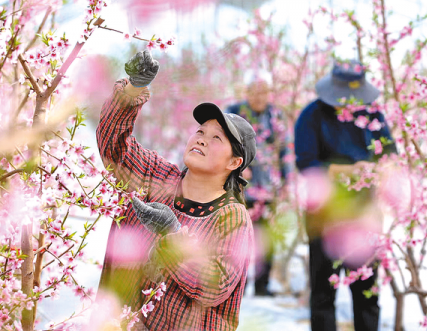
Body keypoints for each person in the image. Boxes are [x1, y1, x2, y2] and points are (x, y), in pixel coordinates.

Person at [96, 50, 256, 331]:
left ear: (234, 162)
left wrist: (172, 238)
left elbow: (214, 287)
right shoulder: (155, 177)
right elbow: (115, 148)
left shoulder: (233, 218)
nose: (202, 140)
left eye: (217, 138)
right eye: (200, 132)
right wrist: (134, 88)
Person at [294, 60, 397, 331]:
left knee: (367, 293)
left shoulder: (372, 115)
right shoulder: (312, 116)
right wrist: (348, 171)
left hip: (365, 213)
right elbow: (306, 164)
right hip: (324, 214)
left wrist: (377, 170)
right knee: (323, 292)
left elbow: (389, 154)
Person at [225, 69, 292, 297]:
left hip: (269, 187)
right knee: (236, 235)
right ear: (247, 93)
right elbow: (223, 142)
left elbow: (285, 150)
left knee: (266, 238)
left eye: (263, 92)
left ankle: (262, 285)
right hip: (239, 185)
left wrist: (286, 181)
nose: (259, 97)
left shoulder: (276, 116)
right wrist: (239, 166)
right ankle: (236, 285)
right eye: (254, 92)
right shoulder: (234, 112)